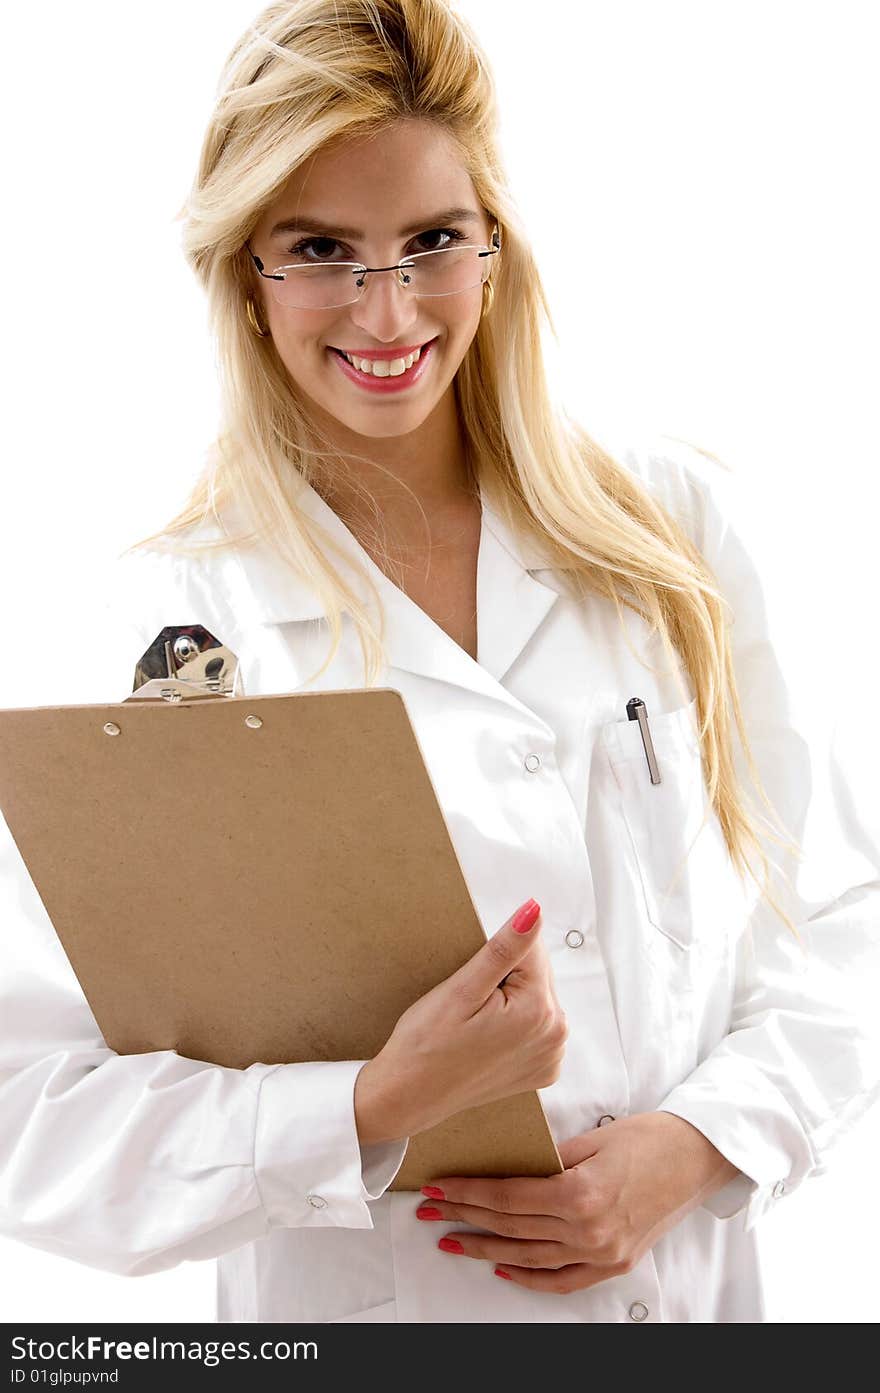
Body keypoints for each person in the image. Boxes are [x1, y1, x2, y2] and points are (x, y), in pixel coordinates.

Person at [1, 0, 877, 1324]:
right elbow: (31, 1116)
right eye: (320, 250)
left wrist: (695, 1147)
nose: (387, 309)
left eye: (428, 243)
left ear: (495, 248)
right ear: (246, 270)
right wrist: (361, 1105)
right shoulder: (169, 619)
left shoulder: (669, 528)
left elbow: (840, 907)